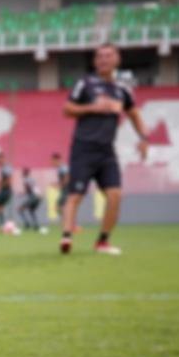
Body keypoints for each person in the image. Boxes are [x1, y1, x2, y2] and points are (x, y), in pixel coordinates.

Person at [59, 43, 149, 255]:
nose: (103, 59)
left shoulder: (123, 90)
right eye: (99, 56)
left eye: (108, 56)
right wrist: (92, 107)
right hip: (83, 148)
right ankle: (66, 237)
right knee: (75, 195)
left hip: (107, 151)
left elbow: (134, 114)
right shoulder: (85, 83)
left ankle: (102, 242)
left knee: (115, 195)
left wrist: (143, 138)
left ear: (117, 59)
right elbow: (67, 109)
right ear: (94, 61)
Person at [0, 151, 14, 232]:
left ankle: (1, 225)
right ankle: (5, 226)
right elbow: (5, 180)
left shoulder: (6, 167)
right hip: (4, 191)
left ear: (3, 159)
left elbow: (8, 180)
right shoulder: (4, 168)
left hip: (6, 191)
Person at [18, 168, 42, 232]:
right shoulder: (32, 179)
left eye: (23, 172)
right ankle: (36, 225)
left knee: (20, 209)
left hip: (33, 197)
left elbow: (28, 189)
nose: (22, 173)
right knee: (31, 211)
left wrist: (22, 193)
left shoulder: (26, 180)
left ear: (25, 173)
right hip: (38, 197)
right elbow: (35, 188)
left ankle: (27, 224)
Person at [51, 152, 69, 222]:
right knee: (61, 207)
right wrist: (57, 184)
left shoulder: (62, 168)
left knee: (59, 207)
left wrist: (59, 185)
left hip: (66, 190)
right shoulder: (61, 168)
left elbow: (67, 178)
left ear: (56, 160)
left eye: (52, 161)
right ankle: (69, 223)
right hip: (65, 190)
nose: (52, 163)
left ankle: (69, 223)